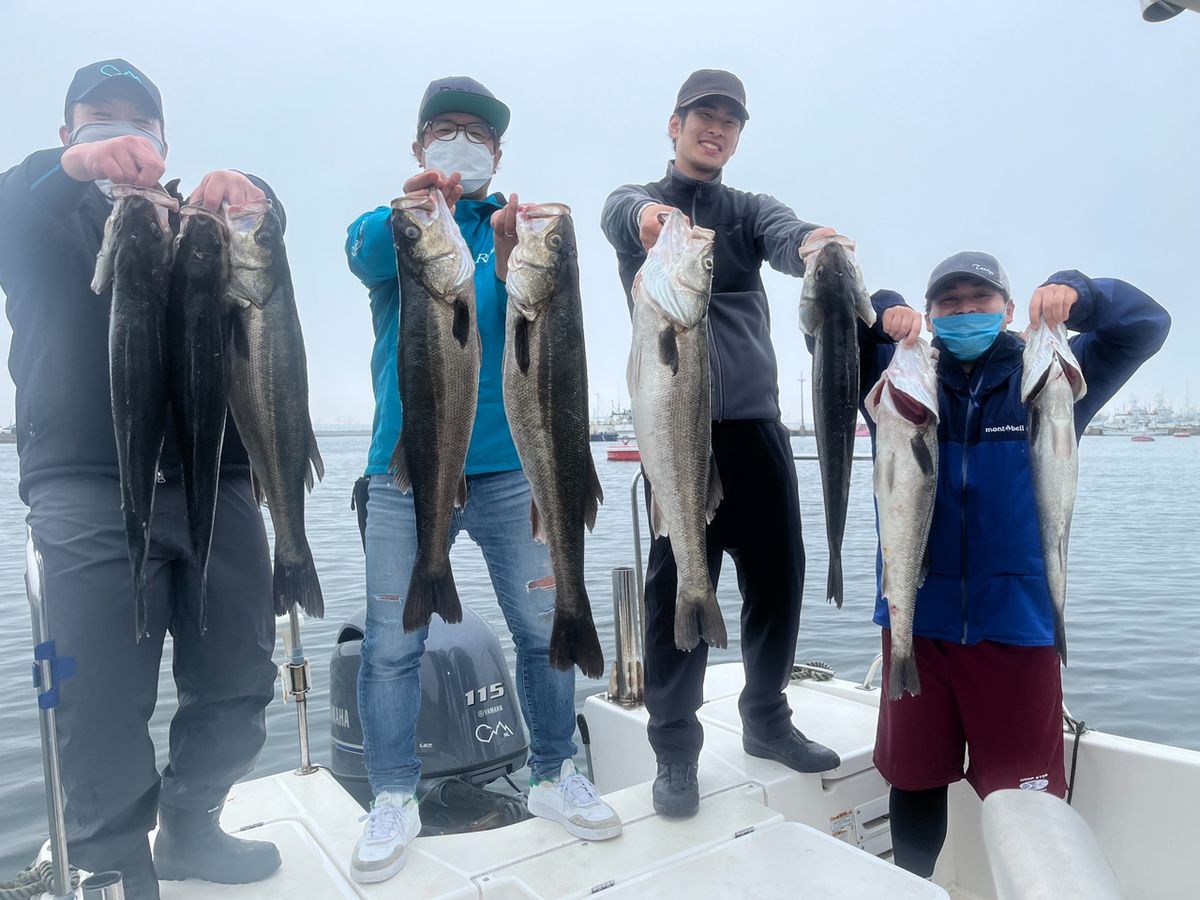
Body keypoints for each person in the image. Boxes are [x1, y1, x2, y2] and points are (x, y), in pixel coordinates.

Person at [0, 59, 285, 898]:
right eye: (98, 120)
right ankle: (114, 863)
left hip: (216, 476)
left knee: (240, 671)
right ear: (65, 136)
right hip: (87, 484)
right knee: (97, 699)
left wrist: (255, 191)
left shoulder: (198, 218)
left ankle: (193, 827)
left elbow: (268, 250)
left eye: (139, 121)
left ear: (164, 142)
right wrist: (74, 173)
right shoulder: (39, 218)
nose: (119, 132)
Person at [344, 75, 621, 885]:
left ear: (497, 153)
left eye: (477, 133)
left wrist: (509, 251)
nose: (461, 141)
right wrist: (413, 204)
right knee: (393, 648)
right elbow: (361, 251)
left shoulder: (509, 237)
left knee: (543, 631)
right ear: (420, 143)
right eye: (445, 128)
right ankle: (394, 793)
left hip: (511, 473)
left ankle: (553, 773)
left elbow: (542, 334)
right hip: (405, 469)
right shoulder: (398, 230)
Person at [862, 251, 1171, 877]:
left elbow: (1147, 325)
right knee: (914, 783)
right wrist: (881, 310)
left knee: (1028, 799)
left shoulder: (1048, 379)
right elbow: (832, 325)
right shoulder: (905, 381)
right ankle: (909, 888)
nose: (965, 310)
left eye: (980, 299)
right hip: (916, 622)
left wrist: (1079, 295)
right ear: (928, 315)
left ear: (1008, 309)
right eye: (949, 302)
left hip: (1020, 627)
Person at [600, 69, 845, 819]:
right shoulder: (640, 204)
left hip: (757, 433)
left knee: (779, 579)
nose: (717, 129)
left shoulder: (747, 211)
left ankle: (766, 720)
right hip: (679, 436)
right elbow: (619, 213)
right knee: (678, 583)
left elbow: (783, 232)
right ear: (673, 126)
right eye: (704, 117)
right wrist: (649, 219)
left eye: (730, 121)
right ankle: (674, 751)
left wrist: (812, 244)